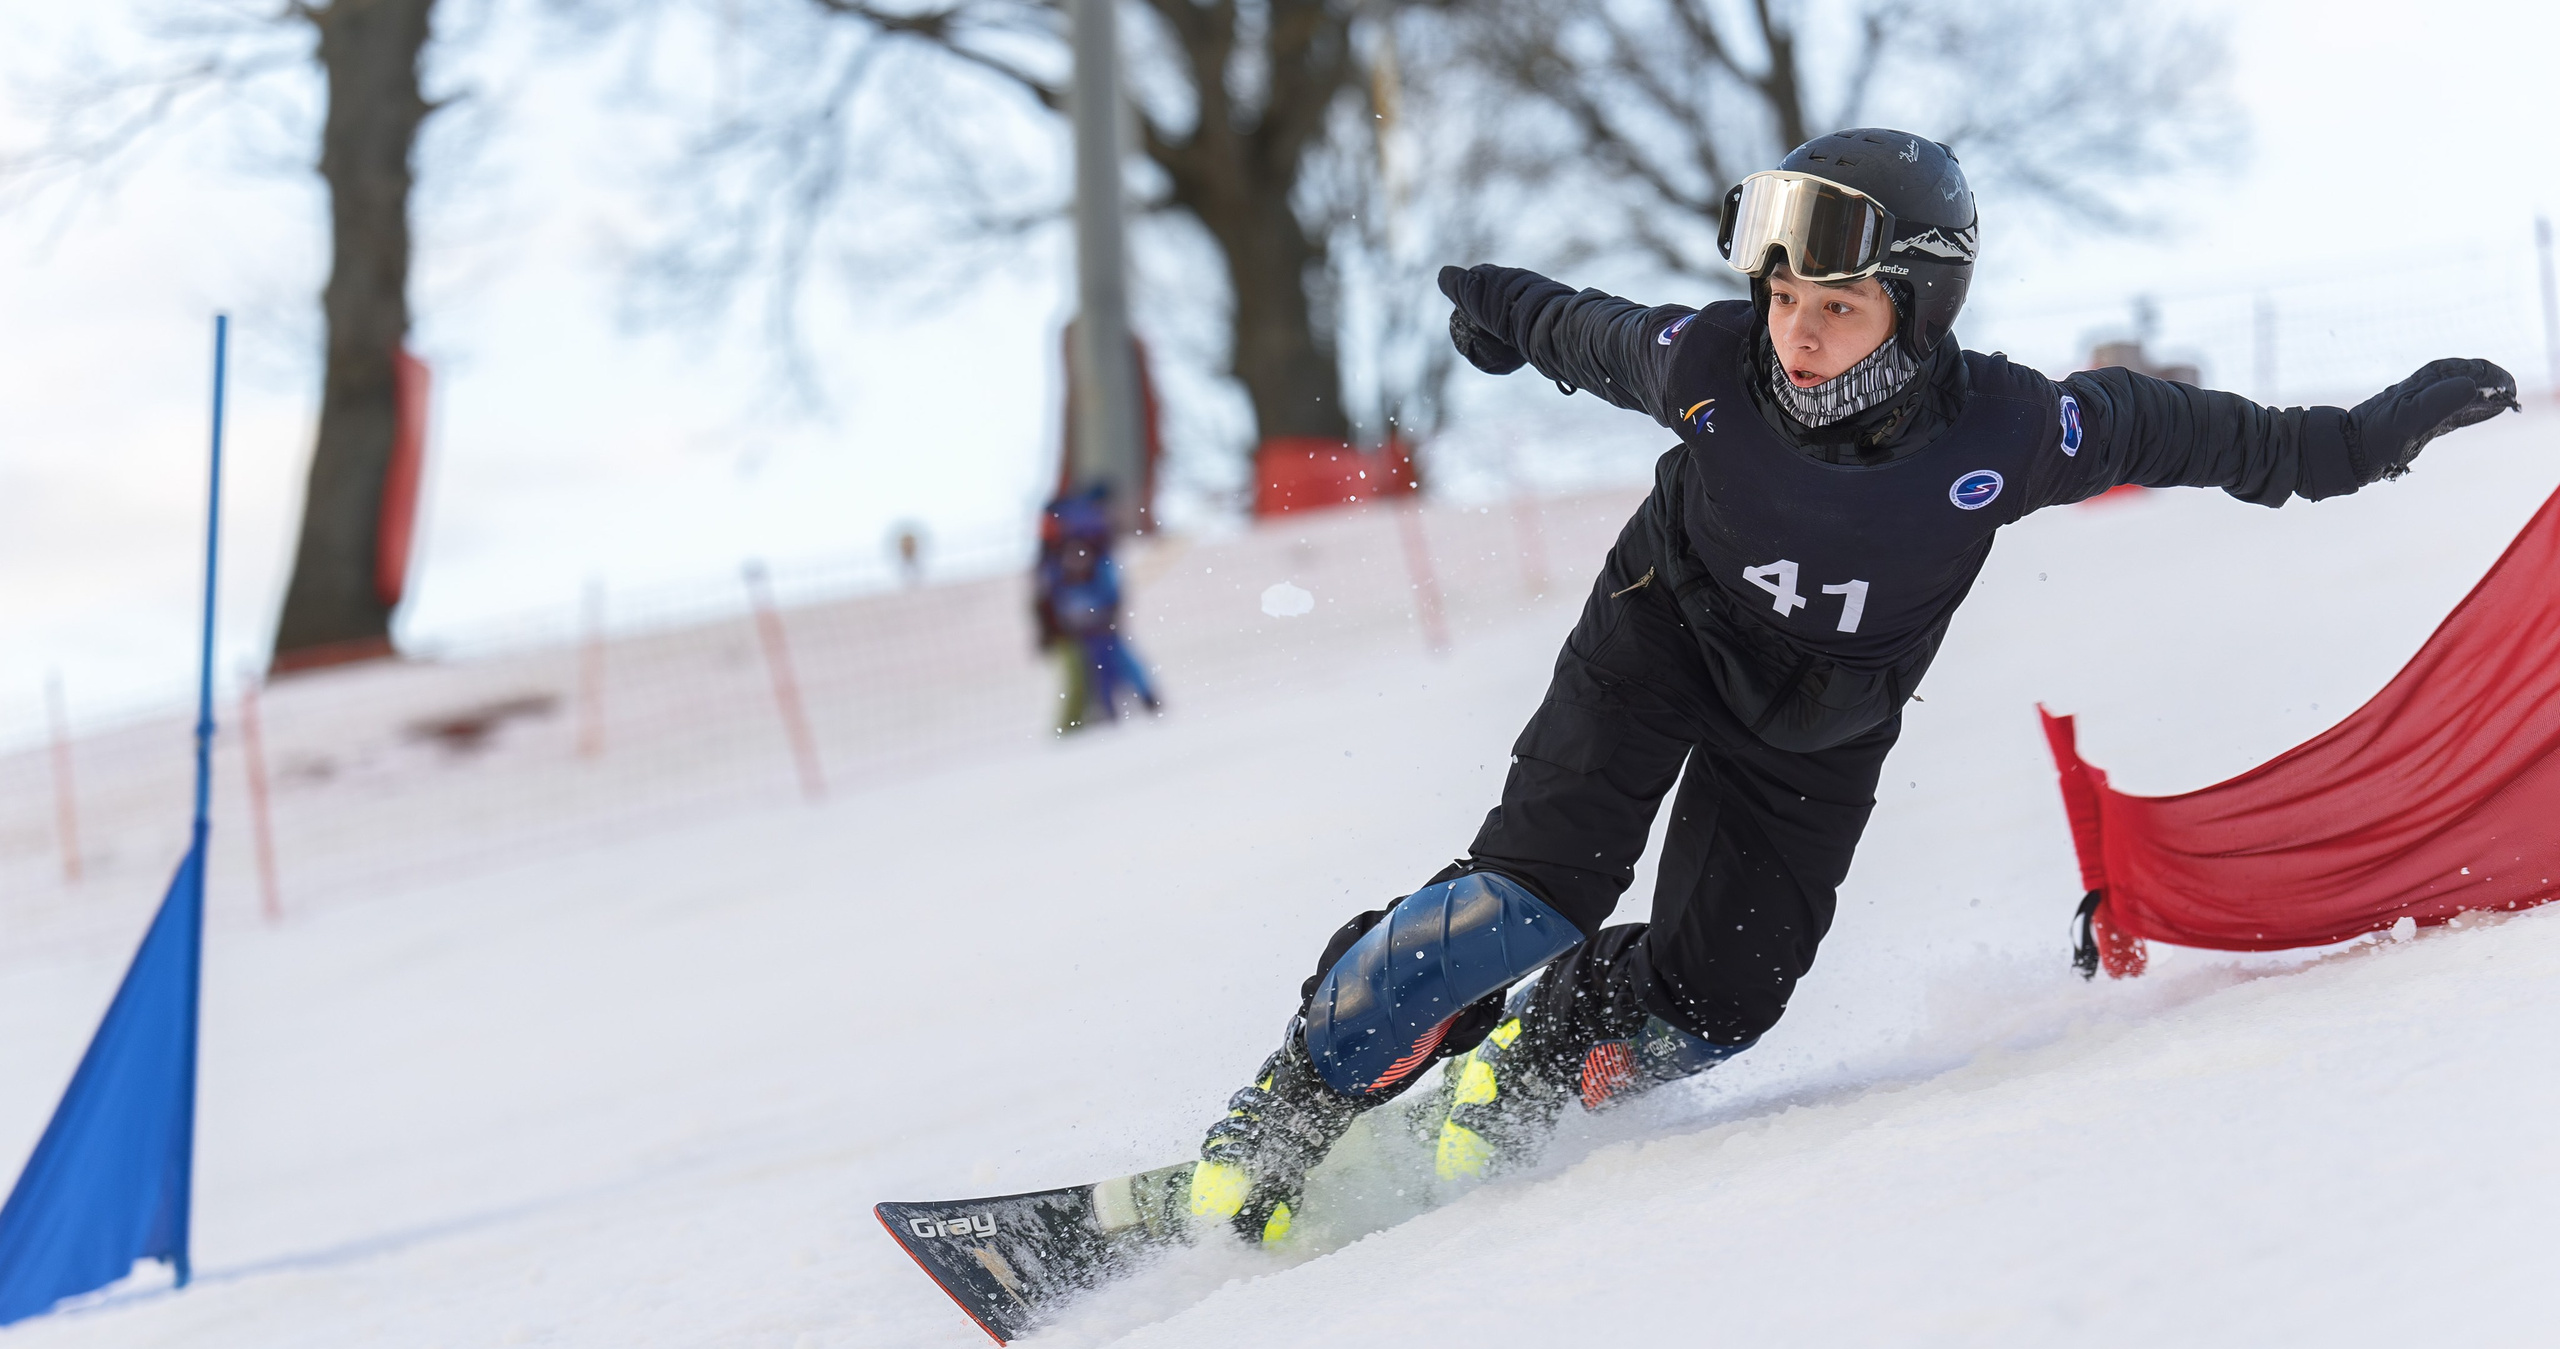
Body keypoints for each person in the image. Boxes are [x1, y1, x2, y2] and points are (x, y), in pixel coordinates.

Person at [1180, 129, 2519, 1245]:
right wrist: (1495, 310)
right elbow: (1578, 328)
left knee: (1723, 1001)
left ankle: (1532, 1060)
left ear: (1916, 310)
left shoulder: (2014, 427)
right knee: (1529, 893)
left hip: (1820, 722)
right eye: (1783, 299)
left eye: (1838, 306)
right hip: (1659, 640)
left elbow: (2224, 440)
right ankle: (1294, 1098)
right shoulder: (1710, 366)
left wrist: (2368, 435)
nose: (1797, 336)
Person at [1032, 485, 1162, 734]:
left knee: (1098, 661)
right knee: (1115, 654)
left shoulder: (1058, 552)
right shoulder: (1095, 543)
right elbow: (1110, 582)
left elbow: (1048, 591)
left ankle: (1108, 707)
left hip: (1078, 614)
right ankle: (1143, 696)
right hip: (1099, 608)